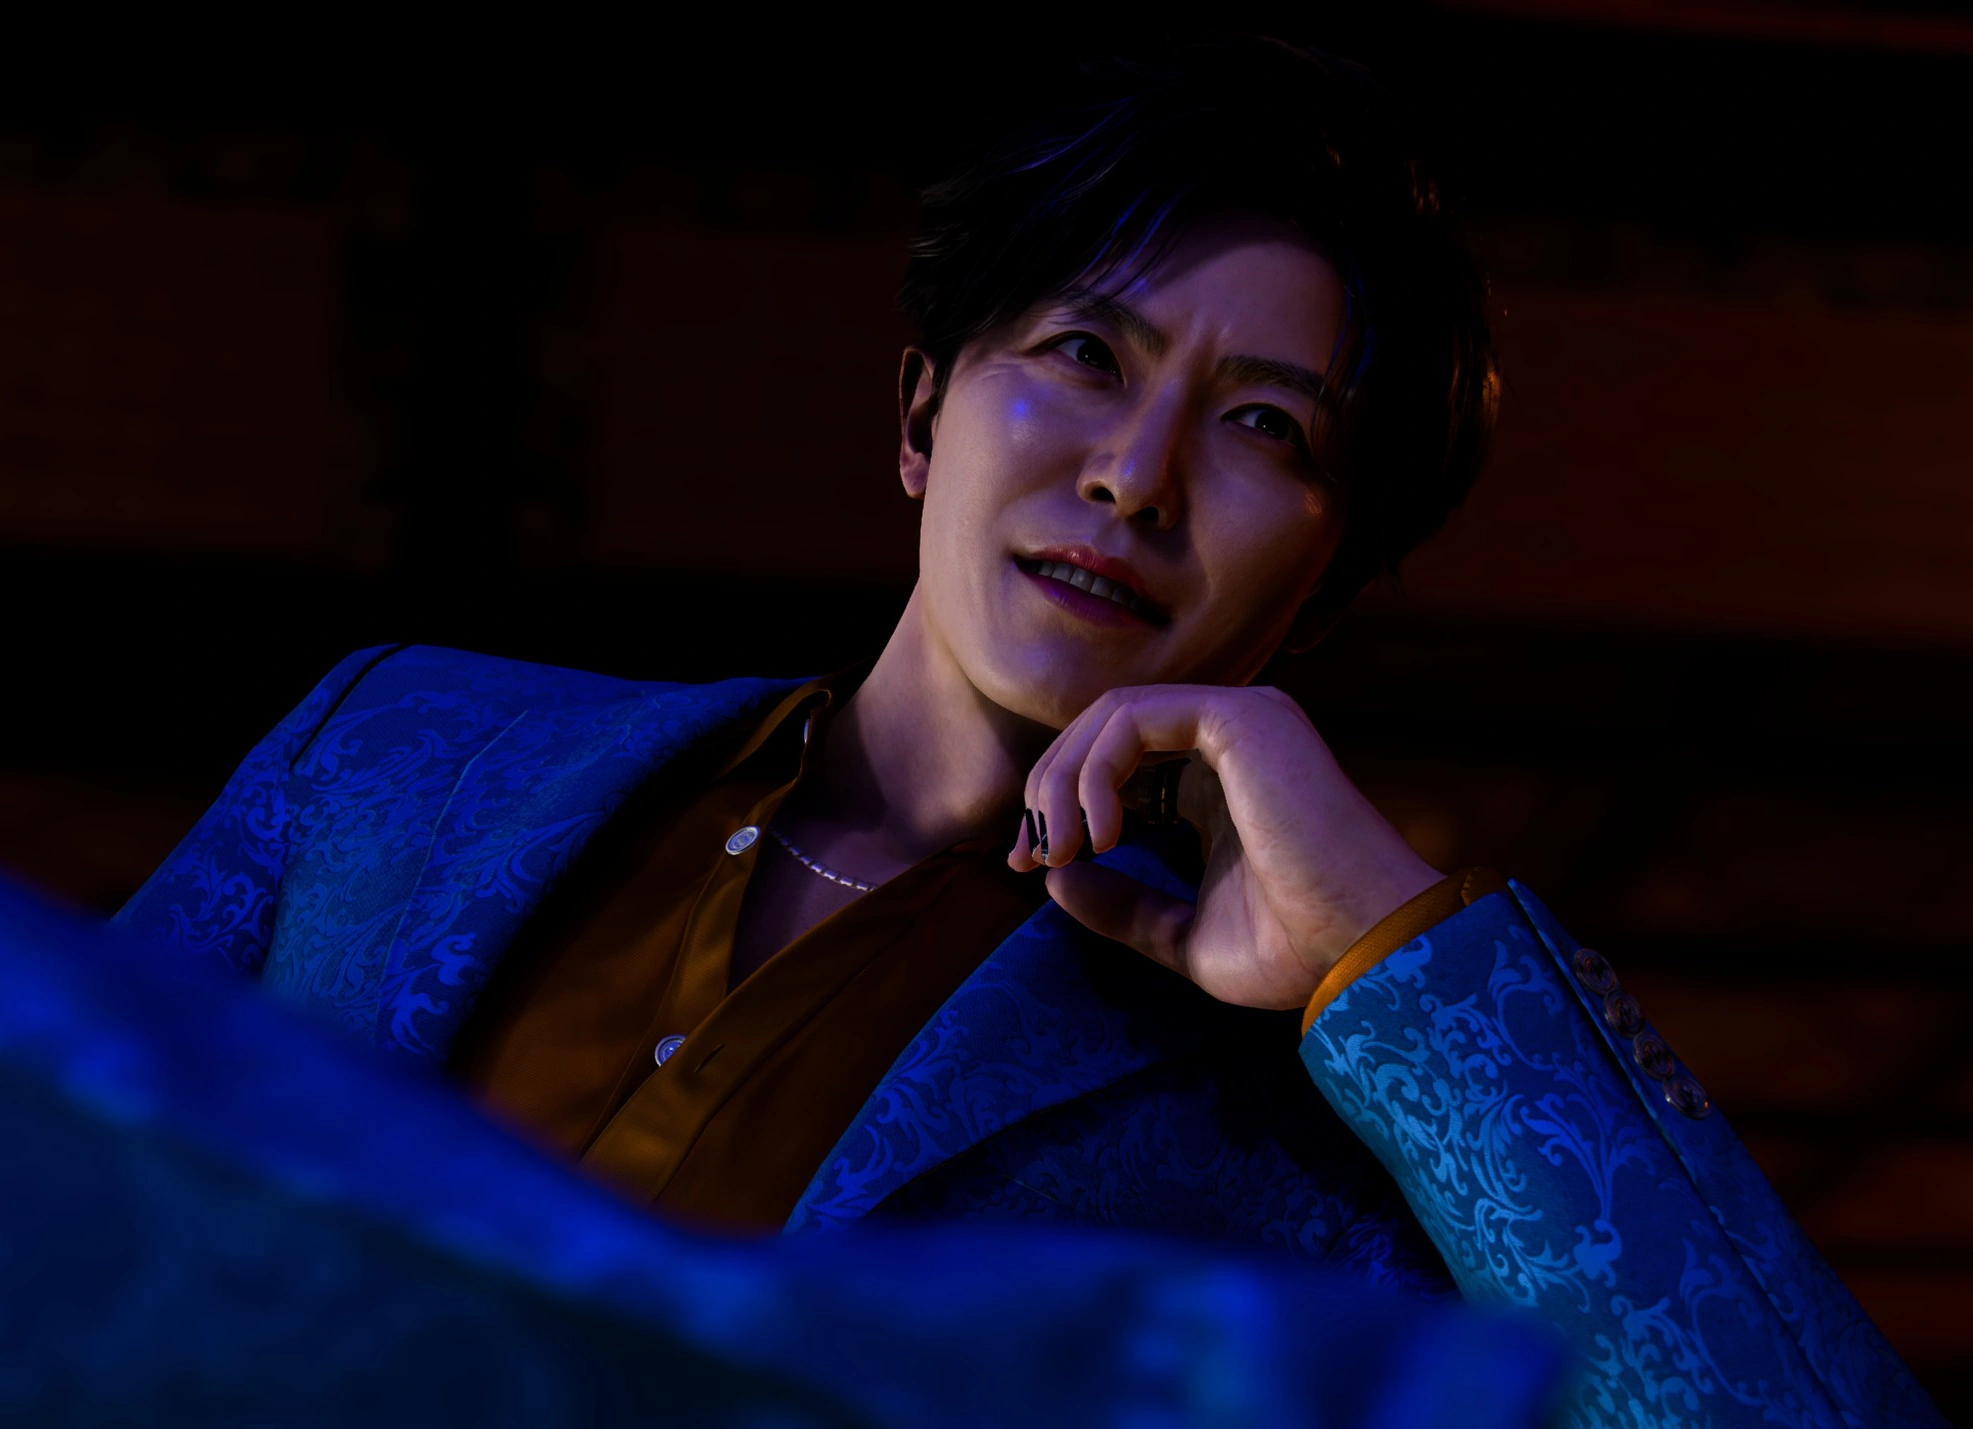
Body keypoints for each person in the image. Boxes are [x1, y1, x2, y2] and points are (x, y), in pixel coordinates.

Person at [116, 38, 1941, 1427]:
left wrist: (1394, 953)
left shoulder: (1319, 1129)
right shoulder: (399, 742)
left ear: (1322, 589)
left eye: (1267, 429)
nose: (1135, 475)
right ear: (924, 412)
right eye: (1085, 353)